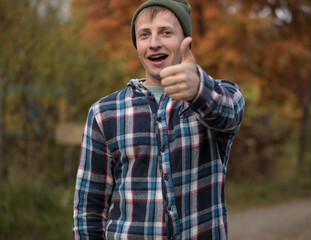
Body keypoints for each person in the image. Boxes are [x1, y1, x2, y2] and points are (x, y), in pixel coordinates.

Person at [73, 0, 245, 239]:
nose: (154, 43)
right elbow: (89, 208)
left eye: (166, 32)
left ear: (185, 40)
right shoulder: (104, 113)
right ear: (136, 44)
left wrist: (198, 90)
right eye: (144, 35)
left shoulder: (218, 96)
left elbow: (230, 115)